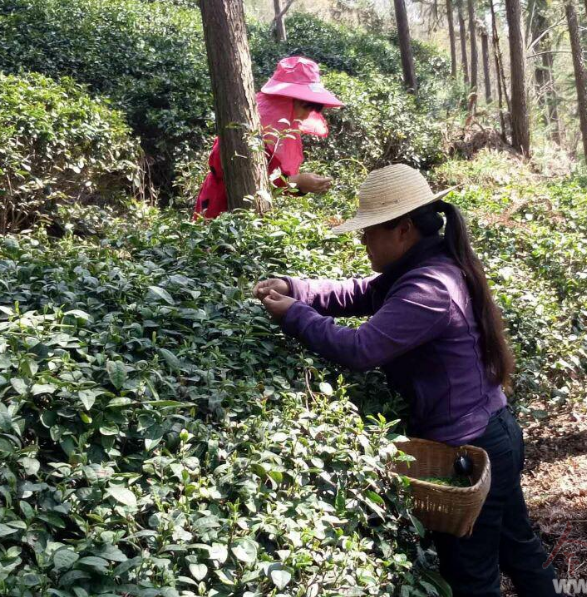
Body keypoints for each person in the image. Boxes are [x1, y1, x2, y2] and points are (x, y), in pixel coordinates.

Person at [253, 164, 558, 596]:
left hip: (472, 447)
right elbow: (355, 293)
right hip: (492, 433)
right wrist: (293, 287)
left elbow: (360, 349)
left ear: (403, 230)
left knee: (472, 573)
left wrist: (293, 315)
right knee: (517, 545)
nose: (362, 240)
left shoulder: (428, 288)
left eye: (369, 231)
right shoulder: (423, 267)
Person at [193, 56, 343, 219]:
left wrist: (302, 184)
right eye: (306, 107)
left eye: (313, 109)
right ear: (283, 102)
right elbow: (243, 180)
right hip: (219, 212)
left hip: (250, 215)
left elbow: (275, 182)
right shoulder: (246, 132)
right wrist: (298, 181)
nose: (307, 114)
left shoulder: (278, 136)